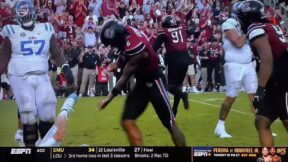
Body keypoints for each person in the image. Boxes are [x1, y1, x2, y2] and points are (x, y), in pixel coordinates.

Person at [98, 20, 186, 146]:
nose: (112, 47)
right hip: (141, 82)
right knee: (127, 120)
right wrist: (117, 63)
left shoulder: (136, 48)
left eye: (112, 44)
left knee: (171, 124)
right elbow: (124, 53)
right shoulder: (126, 31)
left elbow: (124, 79)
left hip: (155, 81)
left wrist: (108, 99)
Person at [0, 0, 74, 147]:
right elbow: (4, 58)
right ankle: (30, 148)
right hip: (19, 76)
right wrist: (2, 75)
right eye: (21, 13)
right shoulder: (11, 31)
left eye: (25, 12)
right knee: (28, 112)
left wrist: (65, 68)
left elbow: (56, 53)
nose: (24, 16)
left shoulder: (45, 29)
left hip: (41, 75)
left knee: (47, 109)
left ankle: (46, 147)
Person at [237, 0, 288, 146]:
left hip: (283, 78)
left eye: (241, 17)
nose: (239, 20)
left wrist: (259, 90)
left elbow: (267, 60)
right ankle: (269, 157)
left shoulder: (255, 28)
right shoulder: (269, 25)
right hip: (277, 79)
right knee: (262, 121)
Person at [214, 1, 258, 138]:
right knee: (231, 97)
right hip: (234, 65)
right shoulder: (228, 24)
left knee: (255, 96)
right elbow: (238, 43)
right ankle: (220, 127)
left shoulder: (245, 24)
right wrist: (247, 29)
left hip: (249, 64)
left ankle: (263, 126)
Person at [153, 15, 194, 116]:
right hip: (185, 57)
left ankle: (183, 95)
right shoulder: (182, 28)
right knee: (178, 85)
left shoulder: (164, 32)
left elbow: (154, 47)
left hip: (174, 58)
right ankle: (174, 109)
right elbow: (192, 30)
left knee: (170, 87)